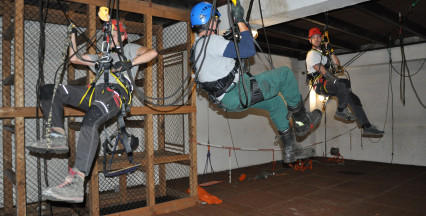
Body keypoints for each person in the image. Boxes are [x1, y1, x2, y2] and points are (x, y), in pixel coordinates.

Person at [26, 19, 158, 203]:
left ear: (123, 36)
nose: (110, 38)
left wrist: (128, 64)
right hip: (94, 92)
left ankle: (77, 182)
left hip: (114, 94)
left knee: (90, 120)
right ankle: (57, 135)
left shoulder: (129, 49)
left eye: (113, 34)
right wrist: (71, 33)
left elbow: (152, 52)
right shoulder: (100, 57)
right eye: (108, 35)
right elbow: (74, 58)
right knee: (49, 90)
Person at [190, 1, 322, 164]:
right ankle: (302, 121)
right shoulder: (211, 42)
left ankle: (290, 149)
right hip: (239, 91)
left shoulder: (197, 49)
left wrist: (231, 37)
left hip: (228, 100)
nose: (217, 24)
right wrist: (239, 20)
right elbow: (248, 50)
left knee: (276, 103)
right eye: (216, 20)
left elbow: (222, 63)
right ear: (210, 21)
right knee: (285, 74)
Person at [305, 27, 384, 137]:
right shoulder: (311, 54)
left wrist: (330, 51)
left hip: (330, 83)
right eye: (313, 38)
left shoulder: (324, 54)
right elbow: (324, 72)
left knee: (354, 99)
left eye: (318, 37)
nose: (317, 39)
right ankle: (341, 110)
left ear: (321, 38)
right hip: (320, 85)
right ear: (310, 40)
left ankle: (367, 126)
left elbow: (337, 65)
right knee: (343, 83)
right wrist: (337, 82)